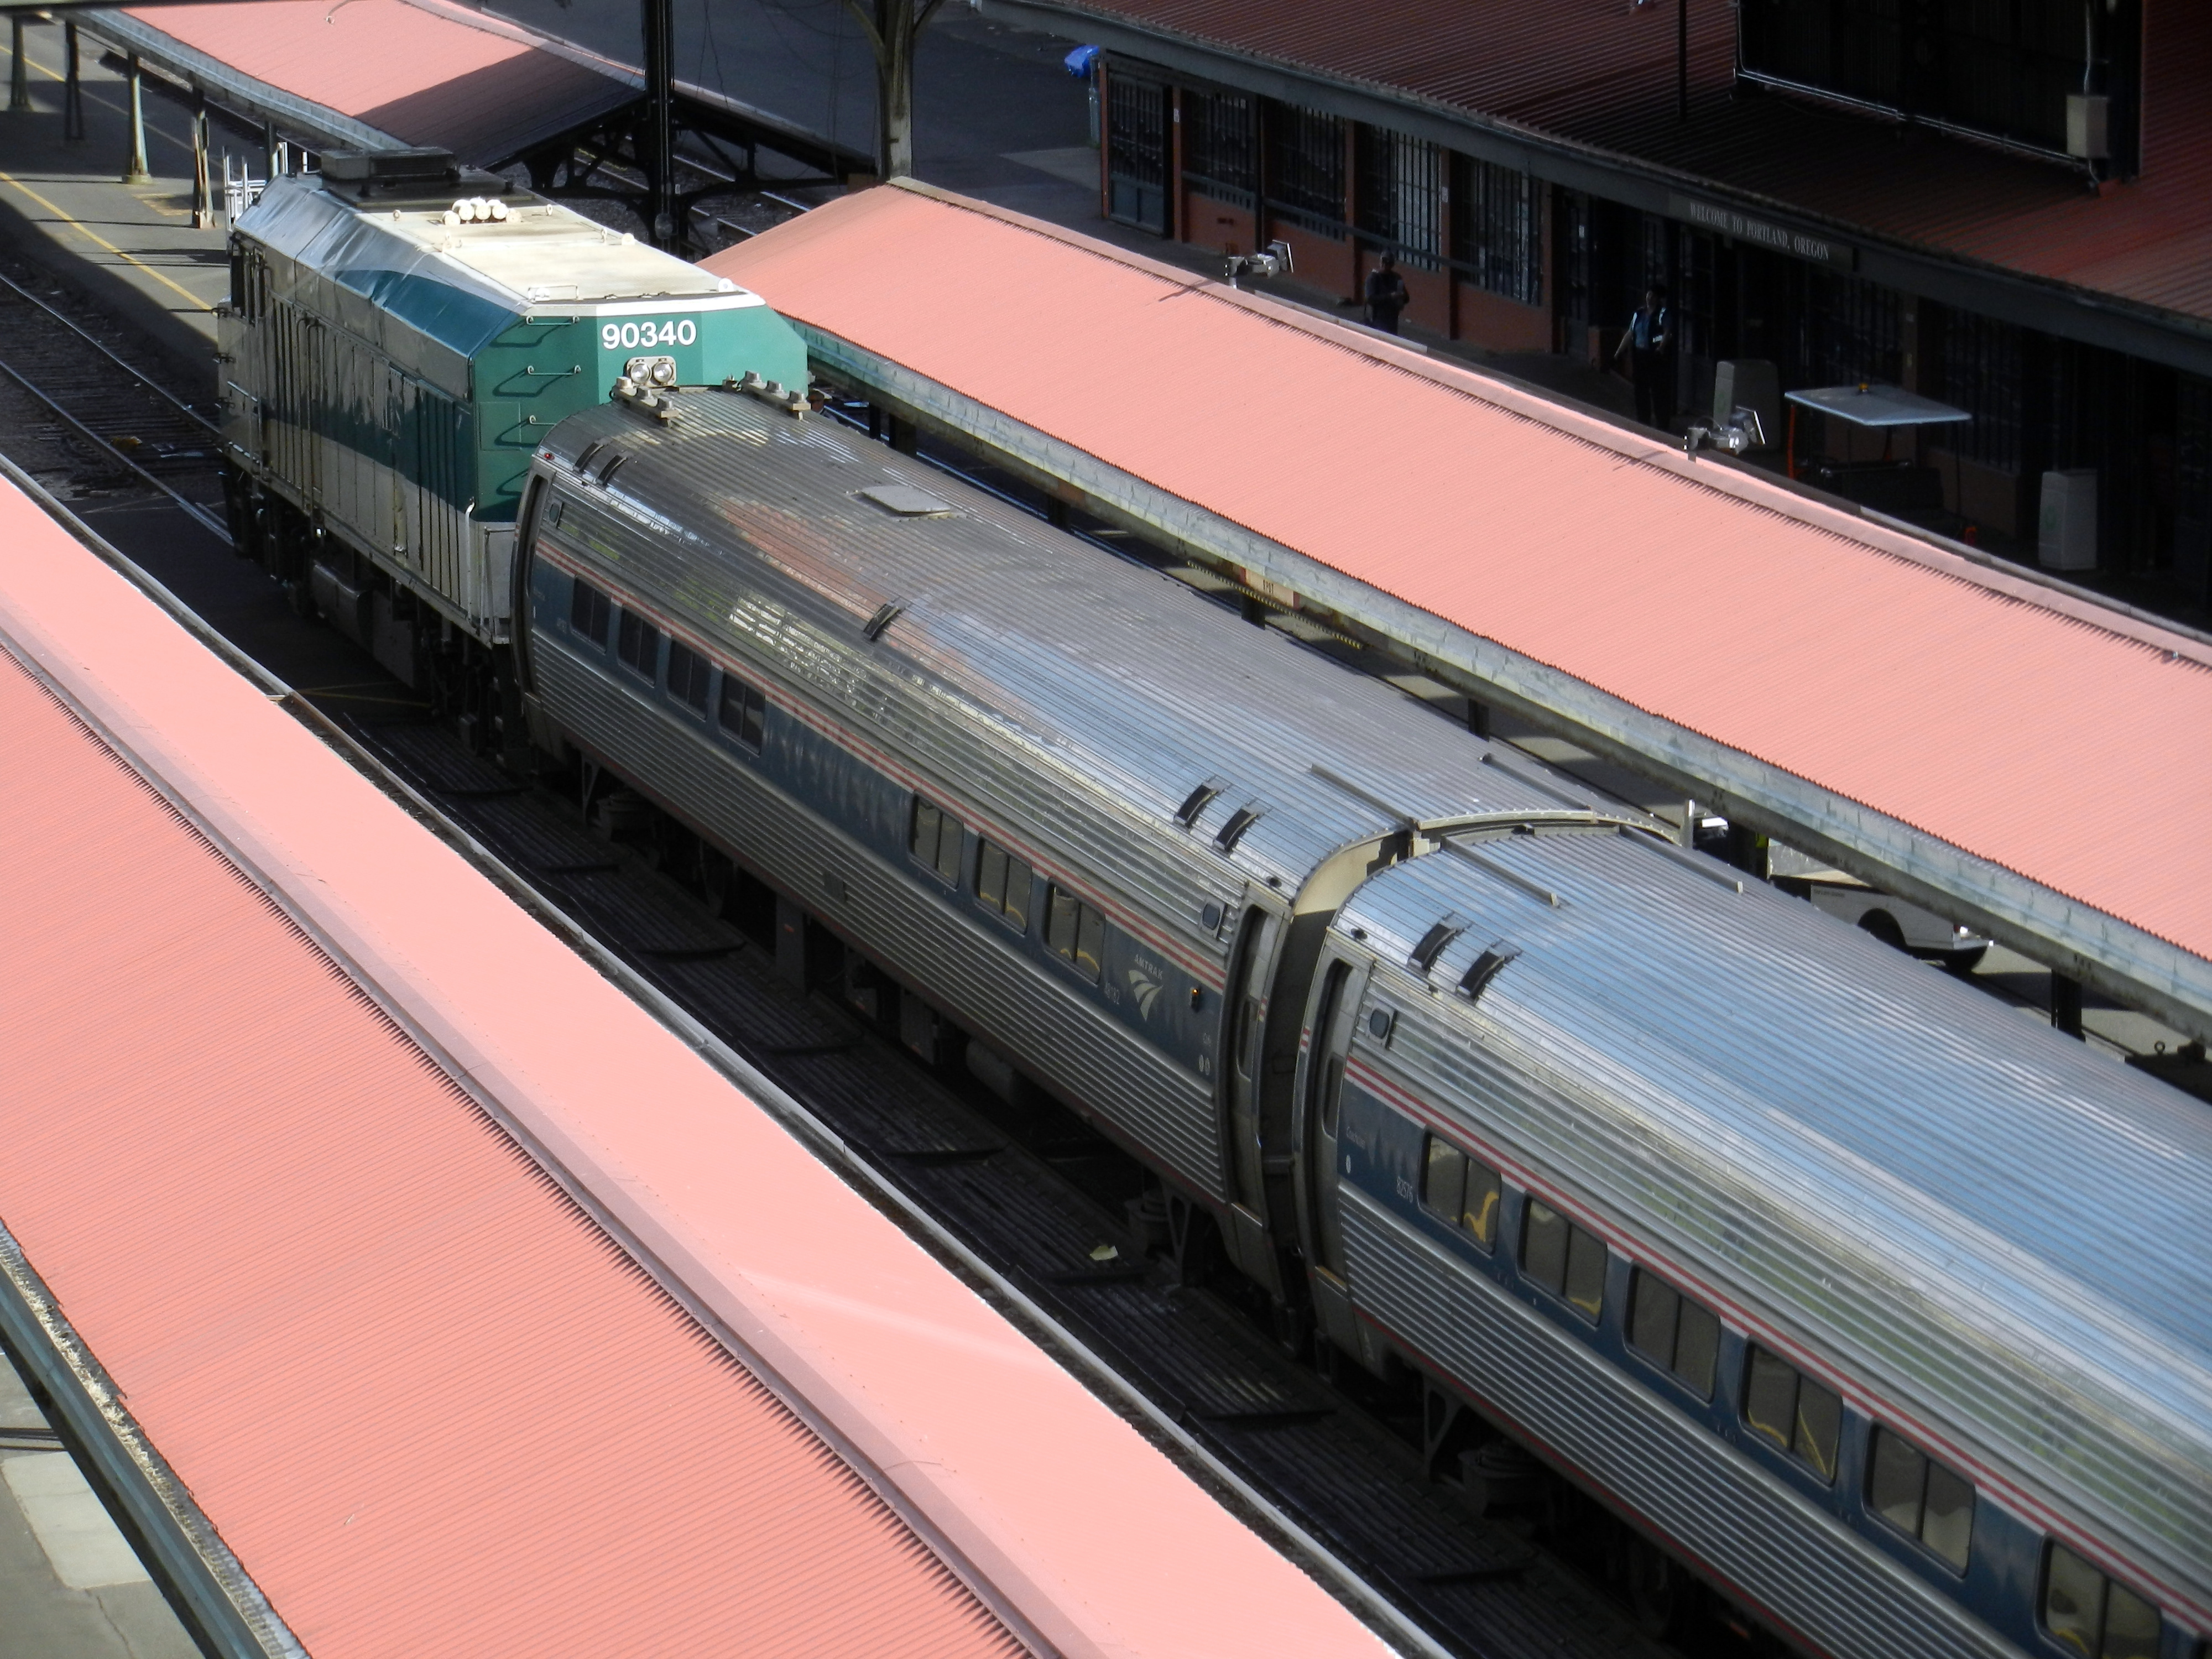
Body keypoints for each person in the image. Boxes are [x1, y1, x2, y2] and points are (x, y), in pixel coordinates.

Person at [1613, 286, 1673, 429]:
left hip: (1656, 358)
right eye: (1649, 294)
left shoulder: (1663, 314)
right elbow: (1630, 334)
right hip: (1640, 357)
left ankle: (1662, 425)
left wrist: (1661, 348)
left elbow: (1668, 332)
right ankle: (1643, 423)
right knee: (1641, 391)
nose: (1650, 298)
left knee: (1659, 392)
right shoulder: (1638, 314)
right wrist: (1618, 354)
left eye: (1653, 296)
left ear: (1658, 299)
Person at [1364, 255, 1409, 335]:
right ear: (1380, 262)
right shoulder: (1374, 278)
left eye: (1388, 263)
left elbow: (1407, 298)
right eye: (1383, 262)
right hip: (1377, 317)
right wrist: (1390, 297)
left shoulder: (1396, 278)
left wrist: (1401, 296)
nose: (1385, 266)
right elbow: (1370, 298)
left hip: (1392, 318)